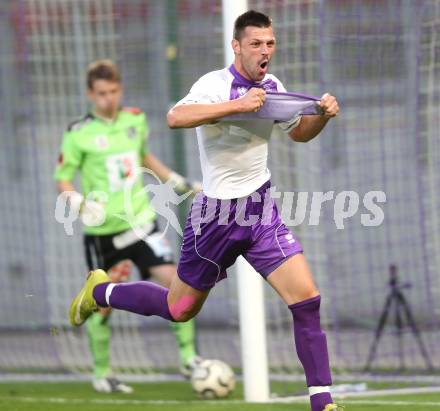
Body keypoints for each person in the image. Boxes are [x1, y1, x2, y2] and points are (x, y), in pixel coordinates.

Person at [69, 11, 342, 411]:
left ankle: (323, 402)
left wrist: (321, 116)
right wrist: (238, 106)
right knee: (178, 309)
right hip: (215, 217)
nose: (264, 50)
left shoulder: (274, 87)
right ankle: (100, 291)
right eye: (255, 43)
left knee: (306, 300)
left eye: (269, 43)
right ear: (236, 45)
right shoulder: (213, 85)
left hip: (260, 211)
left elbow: (299, 133)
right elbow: (176, 117)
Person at [55, 60, 202, 393]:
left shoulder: (135, 118)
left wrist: (179, 182)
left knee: (177, 284)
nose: (108, 98)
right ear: (91, 94)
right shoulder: (78, 133)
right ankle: (102, 372)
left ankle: (189, 359)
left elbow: (145, 158)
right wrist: (79, 204)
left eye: (113, 91)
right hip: (104, 234)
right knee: (103, 304)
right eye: (102, 93)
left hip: (141, 223)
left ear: (120, 89)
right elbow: (62, 180)